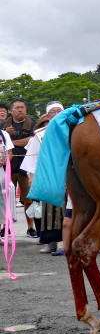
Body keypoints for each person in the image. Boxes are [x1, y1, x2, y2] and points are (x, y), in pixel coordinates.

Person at [21, 101, 65, 253]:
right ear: (47, 115)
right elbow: (32, 158)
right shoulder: (40, 135)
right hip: (48, 175)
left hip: (69, 174)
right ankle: (51, 242)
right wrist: (32, 177)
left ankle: (70, 242)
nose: (57, 114)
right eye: (53, 111)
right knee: (50, 211)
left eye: (60, 110)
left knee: (72, 210)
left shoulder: (72, 129)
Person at [2, 100, 36, 237]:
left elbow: (31, 141)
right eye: (17, 108)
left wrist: (9, 139)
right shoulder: (3, 125)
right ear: (11, 110)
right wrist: (5, 133)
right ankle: (5, 226)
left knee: (28, 199)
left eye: (22, 107)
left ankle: (30, 227)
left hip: (26, 167)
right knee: (5, 199)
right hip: (7, 167)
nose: (20, 110)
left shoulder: (33, 124)